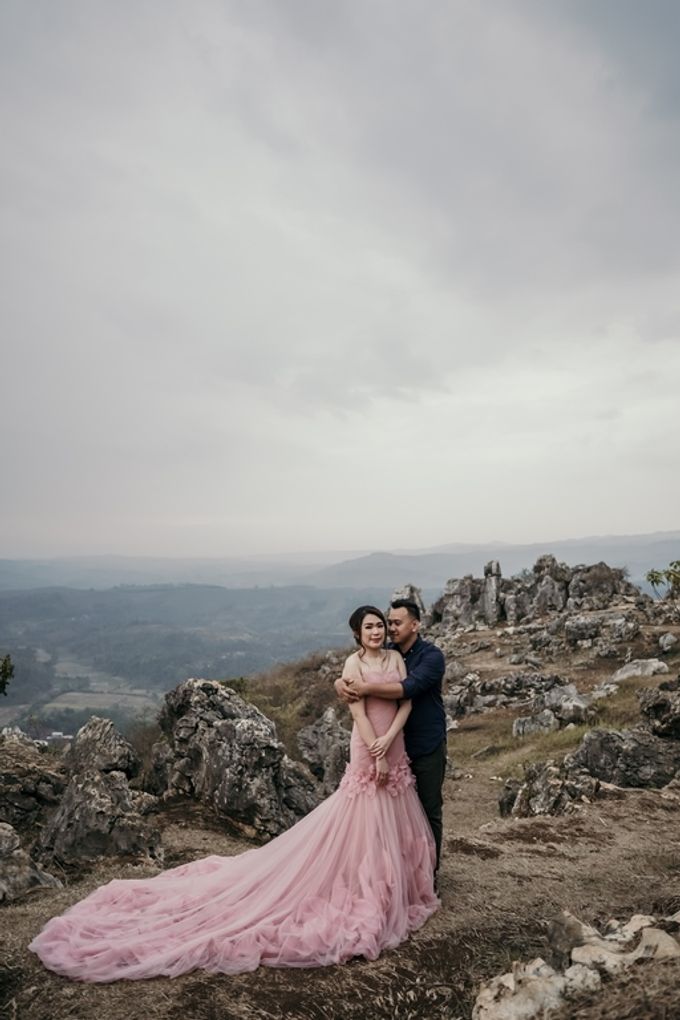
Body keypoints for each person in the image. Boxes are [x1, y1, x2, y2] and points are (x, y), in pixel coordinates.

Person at [29, 605, 438, 982]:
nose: (377, 630)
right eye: (369, 626)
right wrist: (375, 748)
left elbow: (406, 698)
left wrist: (390, 739)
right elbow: (356, 710)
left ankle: (394, 879)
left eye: (381, 625)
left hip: (394, 740)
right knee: (362, 811)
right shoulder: (353, 663)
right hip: (369, 745)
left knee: (396, 808)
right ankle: (356, 877)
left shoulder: (400, 658)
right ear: (356, 633)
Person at [334, 599, 446, 873]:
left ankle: (428, 874)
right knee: (388, 814)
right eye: (388, 622)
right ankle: (386, 872)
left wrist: (364, 687)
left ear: (415, 625)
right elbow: (358, 675)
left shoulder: (431, 657)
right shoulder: (390, 651)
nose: (389, 628)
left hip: (425, 742)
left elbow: (407, 689)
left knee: (427, 812)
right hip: (390, 743)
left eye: (395, 623)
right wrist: (340, 683)